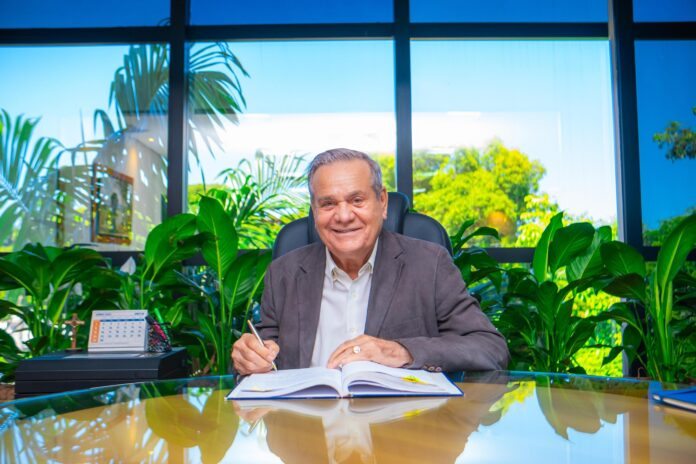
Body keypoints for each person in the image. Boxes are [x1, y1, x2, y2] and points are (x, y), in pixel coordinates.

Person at [231, 148, 509, 375]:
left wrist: (401, 351)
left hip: (403, 423)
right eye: (328, 204)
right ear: (314, 210)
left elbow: (490, 348)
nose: (343, 216)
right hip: (309, 422)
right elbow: (262, 352)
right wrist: (249, 359)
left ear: (383, 202)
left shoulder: (429, 264)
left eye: (356, 200)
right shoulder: (284, 272)